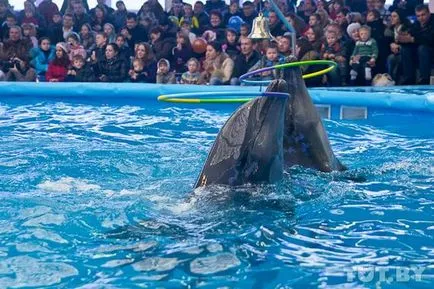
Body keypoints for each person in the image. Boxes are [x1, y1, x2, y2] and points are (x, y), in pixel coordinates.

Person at [397, 4, 434, 84]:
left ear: (429, 13)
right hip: (420, 52)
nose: (421, 18)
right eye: (418, 16)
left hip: (430, 51)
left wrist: (413, 39)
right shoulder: (416, 24)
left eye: (423, 15)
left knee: (422, 48)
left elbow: (430, 39)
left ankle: (424, 79)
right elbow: (410, 35)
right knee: (405, 49)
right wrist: (402, 40)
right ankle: (408, 78)